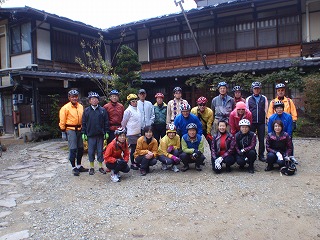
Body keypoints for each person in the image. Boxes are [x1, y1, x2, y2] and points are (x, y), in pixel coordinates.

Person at [59, 89, 88, 176]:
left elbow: (83, 118)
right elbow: (62, 120)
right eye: (73, 97)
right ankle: (73, 167)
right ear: (69, 98)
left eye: (76, 97)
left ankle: (79, 165)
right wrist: (63, 131)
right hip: (70, 129)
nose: (74, 98)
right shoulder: (65, 108)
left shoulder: (80, 106)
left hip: (79, 129)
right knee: (73, 149)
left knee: (80, 148)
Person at [82, 92, 109, 175]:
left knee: (100, 151)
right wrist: (84, 133)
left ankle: (100, 166)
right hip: (90, 135)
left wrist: (106, 132)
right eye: (92, 99)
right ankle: (92, 167)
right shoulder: (86, 111)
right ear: (89, 101)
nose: (94, 100)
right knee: (91, 151)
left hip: (100, 134)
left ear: (98, 100)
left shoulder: (102, 110)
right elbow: (84, 123)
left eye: (96, 99)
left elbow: (106, 122)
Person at [246, 81, 268, 162]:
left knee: (261, 139)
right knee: (251, 139)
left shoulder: (264, 98)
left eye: (258, 88)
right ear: (252, 89)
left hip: (261, 122)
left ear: (260, 89)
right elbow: (247, 111)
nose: (256, 90)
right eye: (255, 88)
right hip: (252, 122)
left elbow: (266, 110)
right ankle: (252, 153)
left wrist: (266, 120)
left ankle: (261, 155)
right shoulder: (248, 99)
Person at [121, 93, 141, 170]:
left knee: (138, 148)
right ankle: (132, 163)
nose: (135, 102)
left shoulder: (138, 109)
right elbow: (124, 122)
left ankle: (137, 161)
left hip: (138, 131)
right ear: (130, 102)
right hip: (131, 133)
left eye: (136, 101)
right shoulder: (128, 111)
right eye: (133, 101)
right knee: (133, 148)